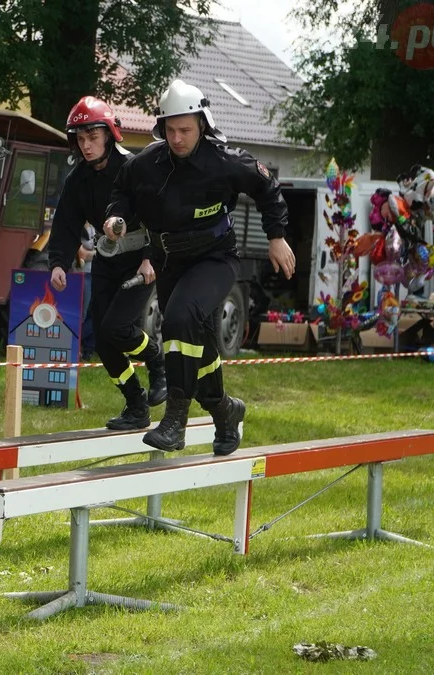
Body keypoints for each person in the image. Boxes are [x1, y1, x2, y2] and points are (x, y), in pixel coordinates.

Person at [104, 79, 296, 455]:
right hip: (168, 261)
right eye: (171, 130)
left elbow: (267, 187)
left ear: (202, 125)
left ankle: (175, 419)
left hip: (214, 259)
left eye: (186, 130)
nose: (177, 138)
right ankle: (226, 412)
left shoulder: (225, 161)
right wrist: (115, 219)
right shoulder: (144, 164)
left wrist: (277, 236)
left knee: (177, 319)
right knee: (200, 346)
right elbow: (120, 193)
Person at [47, 95, 167, 431]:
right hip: (107, 261)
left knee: (118, 329)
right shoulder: (77, 180)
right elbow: (66, 225)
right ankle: (136, 405)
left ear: (110, 134)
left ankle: (157, 360)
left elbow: (157, 216)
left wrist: (148, 259)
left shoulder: (134, 169)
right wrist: (58, 263)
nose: (86, 146)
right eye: (80, 139)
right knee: (102, 340)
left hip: (141, 263)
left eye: (93, 138)